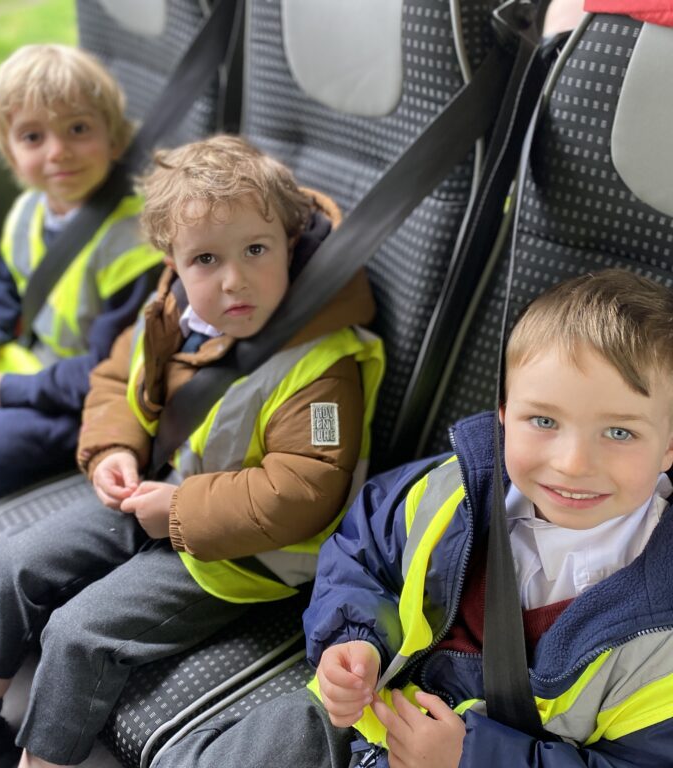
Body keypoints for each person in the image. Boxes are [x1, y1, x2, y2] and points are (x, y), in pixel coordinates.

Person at [0, 135, 385, 768]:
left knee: (79, 632)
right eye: (206, 260)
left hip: (249, 554)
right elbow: (117, 382)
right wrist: (114, 447)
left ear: (291, 243)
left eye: (256, 250)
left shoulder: (325, 363)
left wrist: (184, 507)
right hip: (158, 492)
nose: (234, 279)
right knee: (21, 563)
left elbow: (307, 487)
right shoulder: (171, 315)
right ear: (174, 261)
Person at [149, 268, 673, 768]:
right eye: (542, 420)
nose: (572, 463)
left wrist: (469, 759)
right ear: (503, 415)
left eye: (620, 432)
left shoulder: (661, 633)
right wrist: (354, 638)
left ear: (669, 445)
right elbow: (361, 552)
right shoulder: (450, 489)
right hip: (370, 705)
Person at [0, 43, 164, 697]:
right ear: (9, 146)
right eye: (33, 136)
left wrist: (0, 390)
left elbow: (111, 372)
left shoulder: (130, 241)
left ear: (112, 133)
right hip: (12, 371)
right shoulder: (32, 213)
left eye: (79, 129)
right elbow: (0, 297)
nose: (58, 152)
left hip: (67, 406)